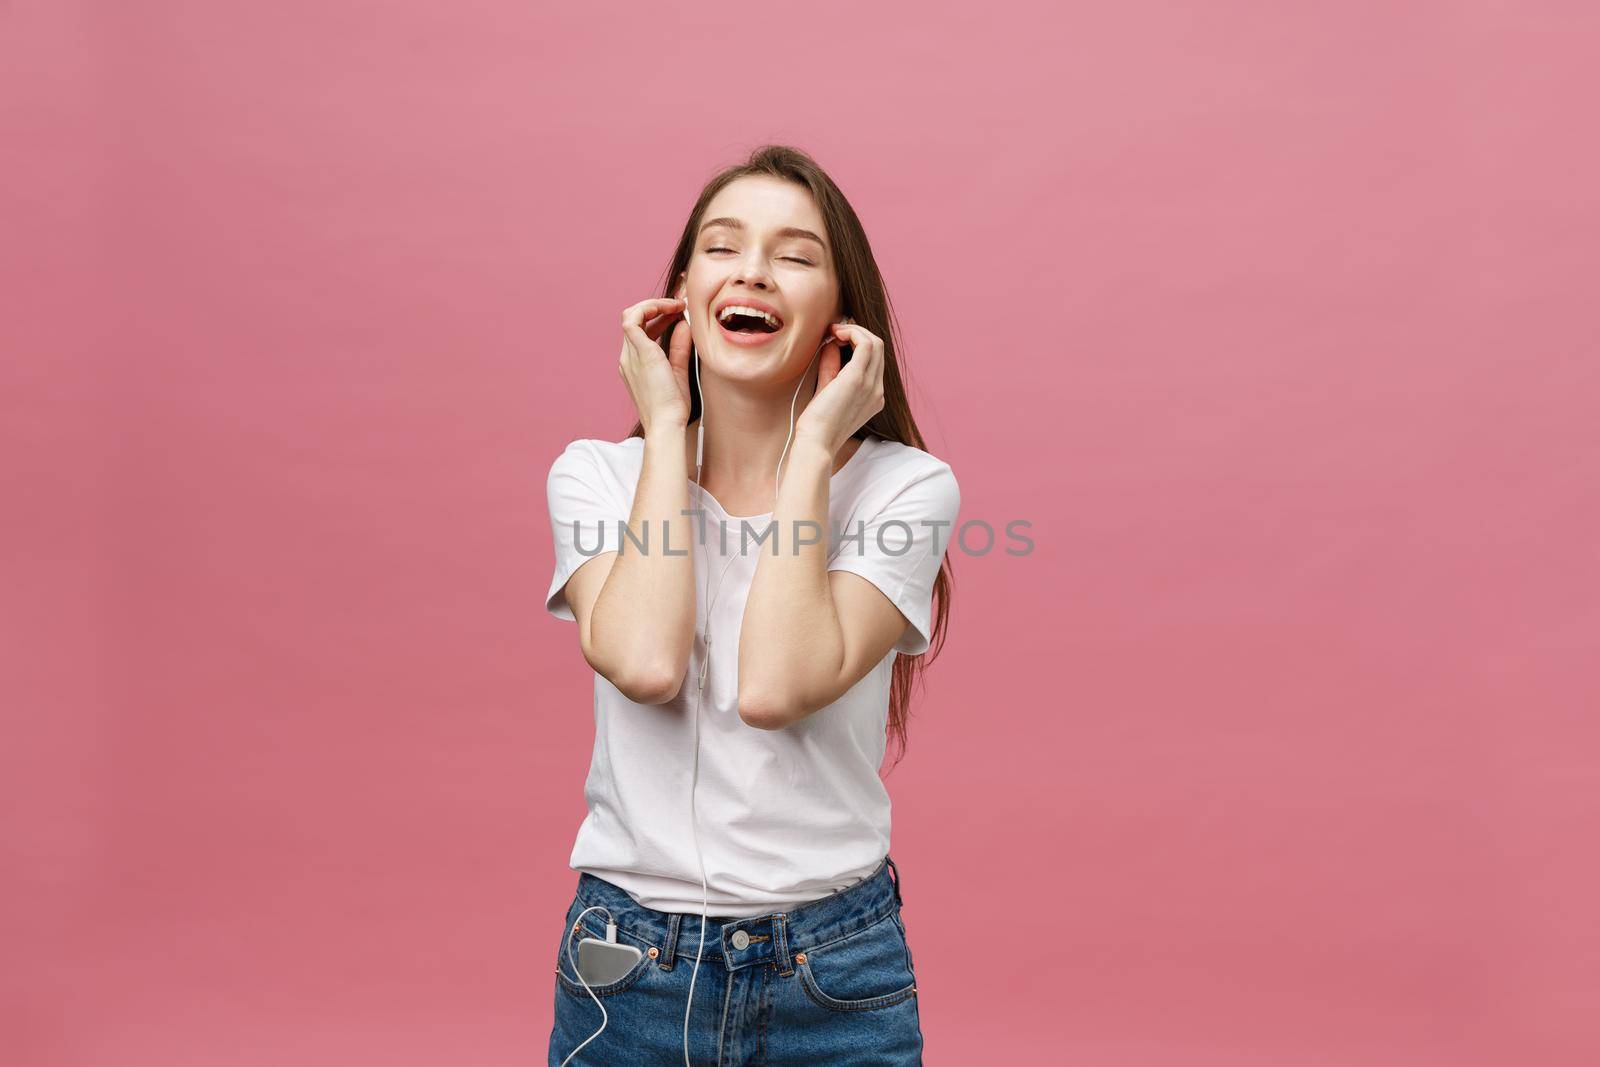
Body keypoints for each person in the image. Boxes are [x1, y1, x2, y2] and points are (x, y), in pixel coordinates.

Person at [543, 145, 959, 1066]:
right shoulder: (596, 476)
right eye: (721, 247)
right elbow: (645, 663)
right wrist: (664, 430)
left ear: (840, 317)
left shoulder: (905, 490)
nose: (754, 272)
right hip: (627, 968)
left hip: (834, 972)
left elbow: (775, 685)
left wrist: (815, 448)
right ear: (683, 289)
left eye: (797, 255)